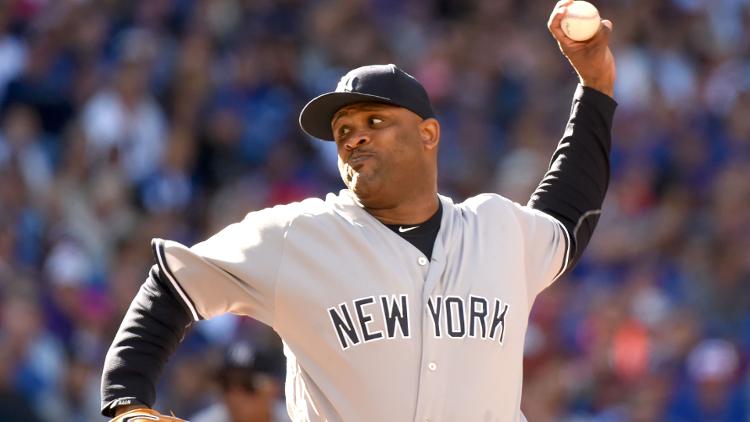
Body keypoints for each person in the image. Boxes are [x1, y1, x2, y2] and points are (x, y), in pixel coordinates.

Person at [102, 2, 617, 421]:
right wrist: (127, 402)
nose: (355, 137)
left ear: (428, 134)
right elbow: (172, 286)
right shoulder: (295, 235)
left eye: (375, 119)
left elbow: (569, 212)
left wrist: (595, 88)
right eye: (343, 131)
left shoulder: (496, 230)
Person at [190, 342, 290, 422]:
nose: (235, 395)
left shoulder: (299, 418)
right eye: (226, 384)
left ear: (274, 388)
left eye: (248, 384)